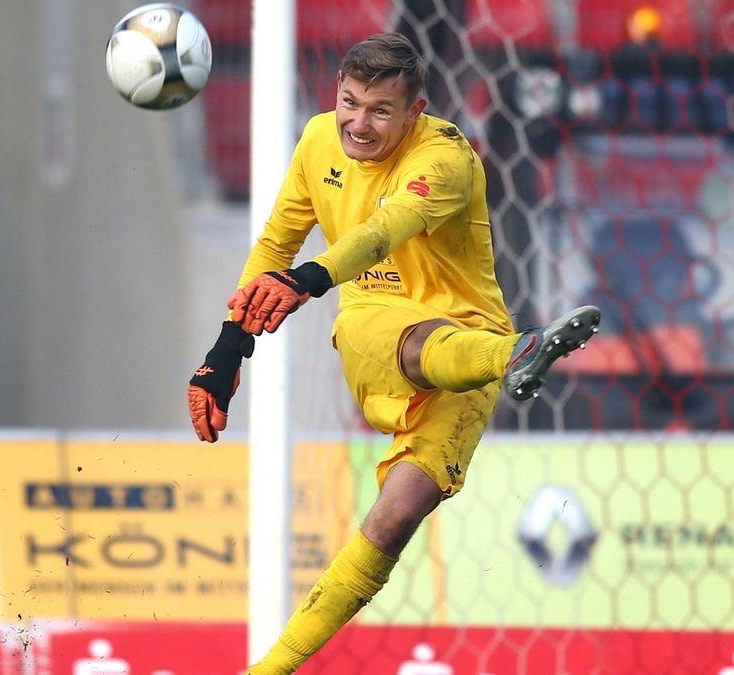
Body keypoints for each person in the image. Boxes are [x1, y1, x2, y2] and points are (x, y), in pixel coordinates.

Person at [185, 32, 600, 674]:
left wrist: (307, 281)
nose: (359, 123)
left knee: (395, 519)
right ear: (338, 95)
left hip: (470, 341)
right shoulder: (319, 141)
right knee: (406, 337)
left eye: (381, 111)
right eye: (351, 102)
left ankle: (267, 670)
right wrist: (226, 351)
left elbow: (385, 232)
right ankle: (518, 355)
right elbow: (274, 247)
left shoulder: (446, 158)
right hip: (379, 328)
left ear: (416, 111)